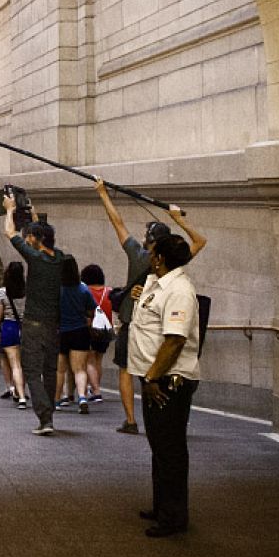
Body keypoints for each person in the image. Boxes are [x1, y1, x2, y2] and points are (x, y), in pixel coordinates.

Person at [94, 180, 207, 434]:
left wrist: (102, 193)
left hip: (136, 326)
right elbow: (200, 241)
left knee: (125, 370)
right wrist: (178, 219)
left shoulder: (140, 256)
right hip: (159, 343)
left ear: (152, 247)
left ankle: (131, 419)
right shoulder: (176, 261)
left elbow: (118, 223)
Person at [129, 234, 202, 538]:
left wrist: (151, 377)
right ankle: (162, 506)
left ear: (160, 259)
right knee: (159, 447)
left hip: (166, 381)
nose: (147, 254)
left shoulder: (179, 290)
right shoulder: (159, 284)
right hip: (154, 378)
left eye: (151, 251)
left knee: (170, 450)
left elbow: (174, 341)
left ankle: (173, 517)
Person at [0, 197, 73, 436]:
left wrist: (10, 210)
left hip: (33, 324)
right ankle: (48, 414)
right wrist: (33, 213)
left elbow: (9, 232)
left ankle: (45, 417)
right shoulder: (60, 258)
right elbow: (42, 233)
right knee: (50, 370)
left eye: (31, 236)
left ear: (38, 240)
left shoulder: (35, 258)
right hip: (54, 325)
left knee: (32, 370)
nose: (28, 238)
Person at [57, 257, 99, 414]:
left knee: (60, 369)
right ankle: (82, 397)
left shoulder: (57, 289)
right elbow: (91, 310)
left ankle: (57, 400)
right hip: (80, 331)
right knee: (79, 369)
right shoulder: (82, 289)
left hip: (62, 331)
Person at [0, 261, 29, 408]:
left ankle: (20, 396)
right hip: (26, 328)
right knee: (23, 364)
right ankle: (21, 391)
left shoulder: (2, 293)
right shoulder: (27, 291)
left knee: (15, 364)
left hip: (9, 327)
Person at [81, 263, 114, 407]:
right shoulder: (110, 291)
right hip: (105, 330)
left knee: (89, 360)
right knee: (98, 360)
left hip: (90, 329)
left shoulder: (85, 291)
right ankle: (95, 387)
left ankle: (96, 390)